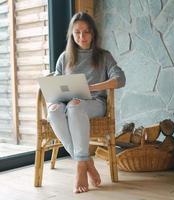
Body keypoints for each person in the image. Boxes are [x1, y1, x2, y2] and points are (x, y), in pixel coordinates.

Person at [47, 12, 125, 193]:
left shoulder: (104, 56)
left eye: (86, 32)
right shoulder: (64, 57)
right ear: (72, 35)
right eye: (77, 32)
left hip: (95, 103)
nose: (82, 37)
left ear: (93, 34)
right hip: (69, 104)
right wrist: (54, 100)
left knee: (75, 106)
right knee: (53, 110)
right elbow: (57, 85)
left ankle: (80, 168)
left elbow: (120, 79)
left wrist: (92, 87)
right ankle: (84, 160)